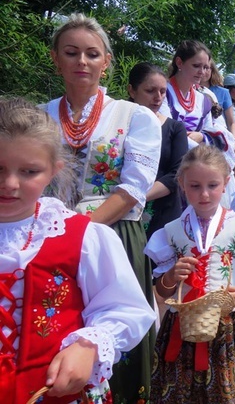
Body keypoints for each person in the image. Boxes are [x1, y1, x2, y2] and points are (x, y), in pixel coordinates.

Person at [0, 97, 155, 403]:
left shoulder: (81, 238)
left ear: (53, 170)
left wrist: (88, 346)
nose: (10, 184)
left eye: (30, 171)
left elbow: (125, 308)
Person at [43, 13, 161, 402]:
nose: (82, 61)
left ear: (106, 61)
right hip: (47, 240)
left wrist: (81, 231)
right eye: (71, 52)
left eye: (92, 54)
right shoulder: (39, 117)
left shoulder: (136, 117)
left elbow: (132, 190)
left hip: (114, 237)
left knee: (112, 335)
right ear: (55, 58)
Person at [145, 145, 235, 403]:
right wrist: (171, 277)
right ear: (182, 185)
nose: (204, 194)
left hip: (232, 327)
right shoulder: (170, 232)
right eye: (195, 186)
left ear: (226, 183)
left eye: (212, 185)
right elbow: (161, 293)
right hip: (183, 326)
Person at [128, 62, 188, 239]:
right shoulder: (119, 125)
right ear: (132, 91)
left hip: (163, 211)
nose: (158, 97)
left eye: (163, 91)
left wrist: (133, 198)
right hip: (123, 213)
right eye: (150, 91)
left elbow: (176, 174)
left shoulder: (175, 128)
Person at [161, 40, 235, 171]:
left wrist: (202, 136)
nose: (202, 72)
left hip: (197, 165)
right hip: (168, 164)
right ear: (179, 63)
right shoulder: (162, 92)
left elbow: (212, 131)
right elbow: (166, 131)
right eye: (196, 65)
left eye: (206, 67)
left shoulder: (203, 99)